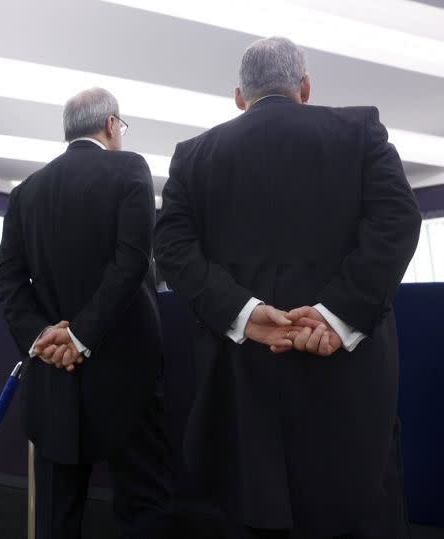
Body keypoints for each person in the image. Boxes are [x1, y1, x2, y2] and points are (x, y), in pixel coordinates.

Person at [154, 37, 422, 539]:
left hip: (244, 388)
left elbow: (171, 248)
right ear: (305, 86)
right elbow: (398, 221)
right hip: (350, 384)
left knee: (255, 515)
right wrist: (335, 315)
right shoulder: (361, 130)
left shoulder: (192, 156)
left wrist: (242, 312)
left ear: (239, 96)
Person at [0, 88, 173, 538]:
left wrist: (43, 339)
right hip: (125, 380)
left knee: (57, 515)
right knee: (142, 508)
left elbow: (8, 280)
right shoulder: (129, 168)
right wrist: (80, 336)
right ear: (111, 125)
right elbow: (131, 262)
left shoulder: (26, 191)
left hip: (53, 383)